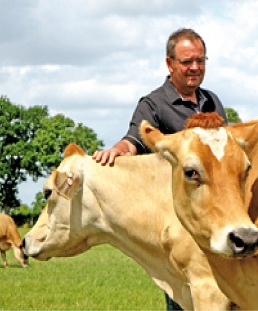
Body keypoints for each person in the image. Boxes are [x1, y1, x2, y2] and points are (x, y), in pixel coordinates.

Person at [92, 28, 228, 311]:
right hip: (177, 224)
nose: (195, 68)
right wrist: (116, 151)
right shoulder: (153, 104)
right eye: (187, 61)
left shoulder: (212, 101)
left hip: (216, 217)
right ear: (170, 64)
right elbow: (134, 139)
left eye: (200, 61)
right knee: (183, 295)